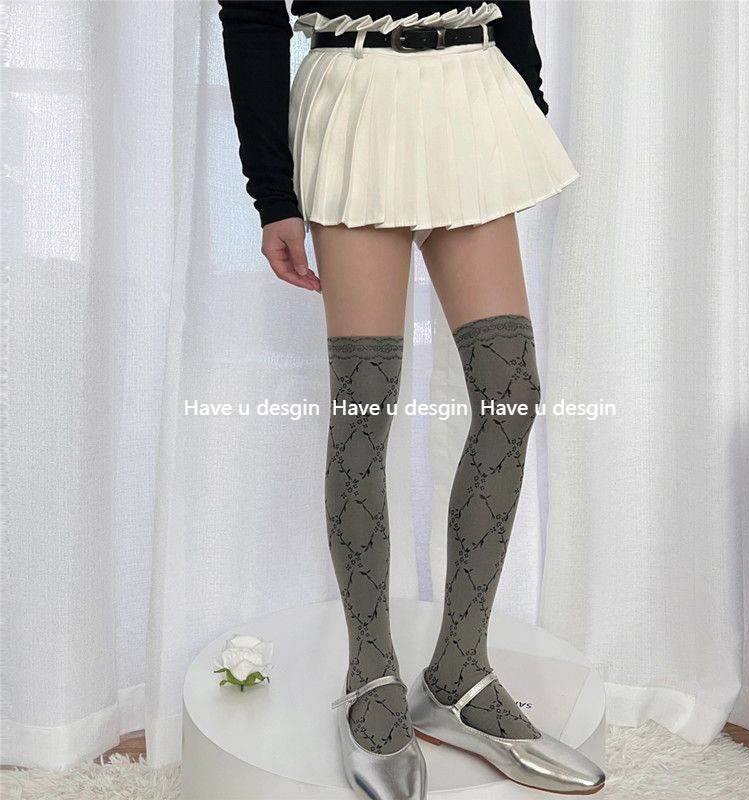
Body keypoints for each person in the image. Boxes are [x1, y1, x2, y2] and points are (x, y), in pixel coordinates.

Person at [218, 2, 604, 797]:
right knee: (366, 403)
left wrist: (523, 97)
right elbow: (251, 16)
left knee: (510, 391)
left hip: (472, 90)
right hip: (356, 96)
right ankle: (371, 678)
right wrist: (272, 193)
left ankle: (460, 674)